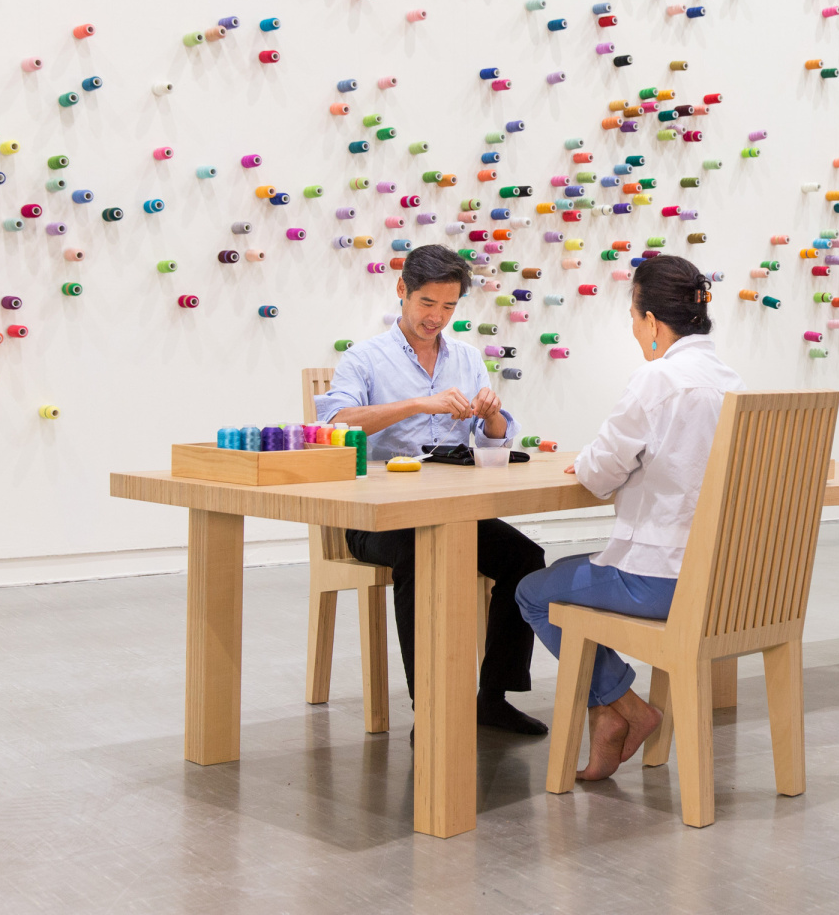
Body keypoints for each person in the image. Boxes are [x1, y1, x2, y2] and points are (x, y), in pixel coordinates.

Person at [515, 254, 742, 780]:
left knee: (533, 593)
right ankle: (612, 714)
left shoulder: (657, 380)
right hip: (726, 581)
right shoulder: (734, 383)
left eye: (634, 319)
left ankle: (626, 707)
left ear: (652, 322)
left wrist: (586, 462)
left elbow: (599, 475)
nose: (635, 330)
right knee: (565, 577)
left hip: (661, 582)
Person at [314, 245, 548, 738]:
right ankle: (432, 706)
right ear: (402, 290)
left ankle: (493, 698)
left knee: (525, 559)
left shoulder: (466, 357)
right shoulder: (364, 358)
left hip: (451, 511)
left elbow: (492, 442)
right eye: (426, 303)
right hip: (375, 518)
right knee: (421, 555)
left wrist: (493, 416)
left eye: (448, 306)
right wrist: (417, 403)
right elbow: (333, 423)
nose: (436, 317)